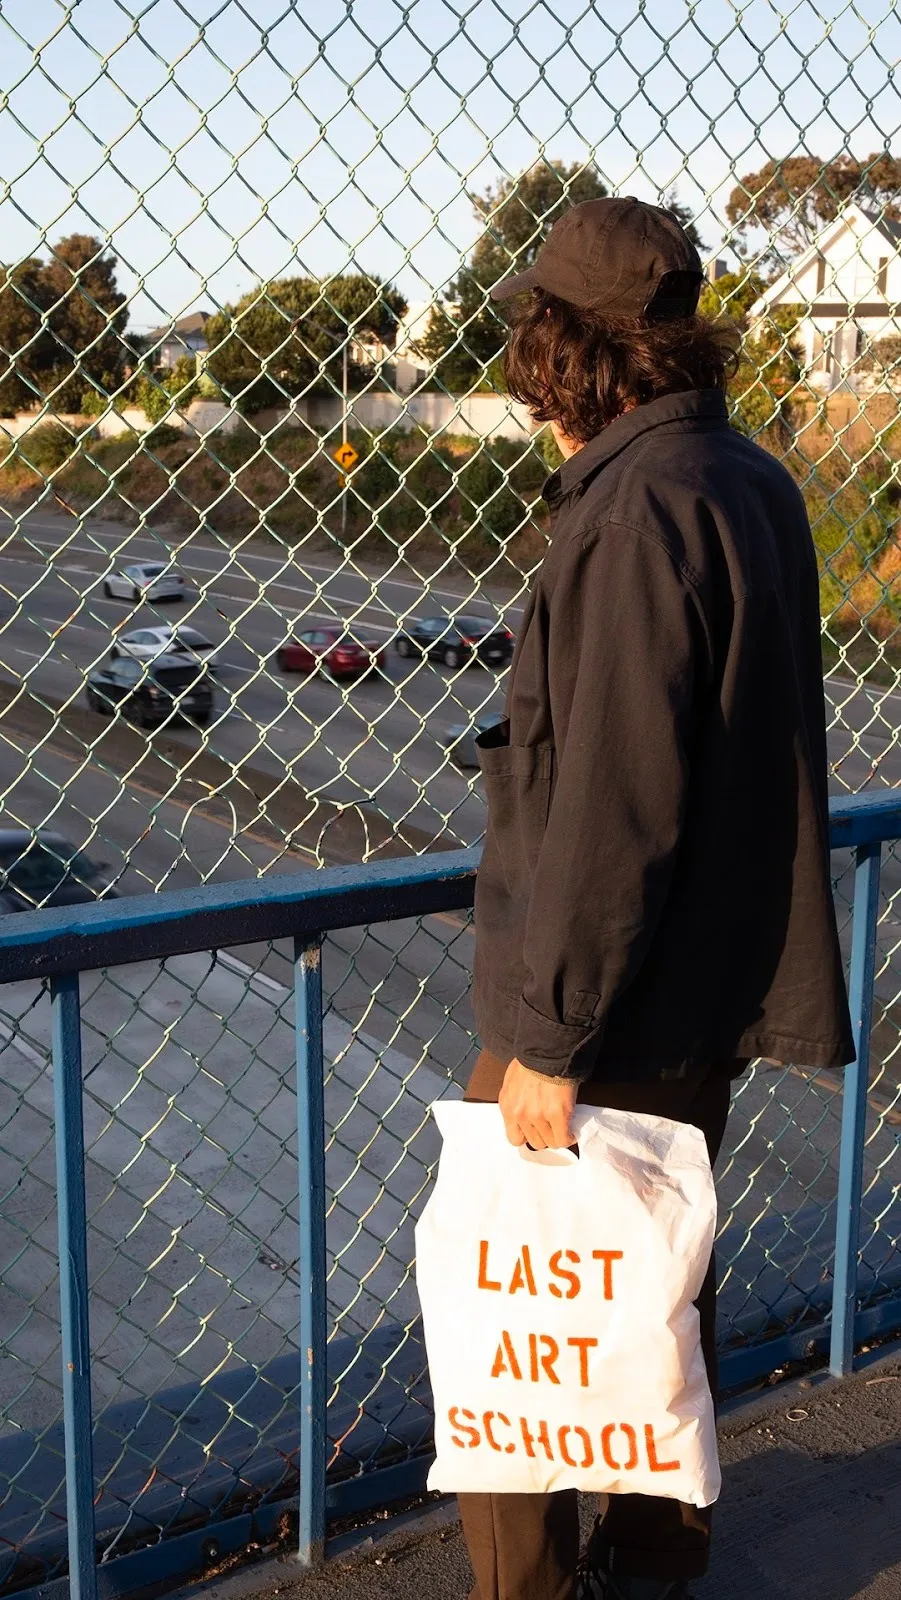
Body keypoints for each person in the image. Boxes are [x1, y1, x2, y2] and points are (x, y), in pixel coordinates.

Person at [459, 196, 854, 1600]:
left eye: (533, 334)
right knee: (648, 1297)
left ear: (575, 352)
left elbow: (617, 806)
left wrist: (550, 1042)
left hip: (600, 1006)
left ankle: (536, 1591)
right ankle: (652, 1565)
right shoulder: (749, 480)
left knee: (520, 1315)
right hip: (699, 998)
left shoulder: (632, 510)